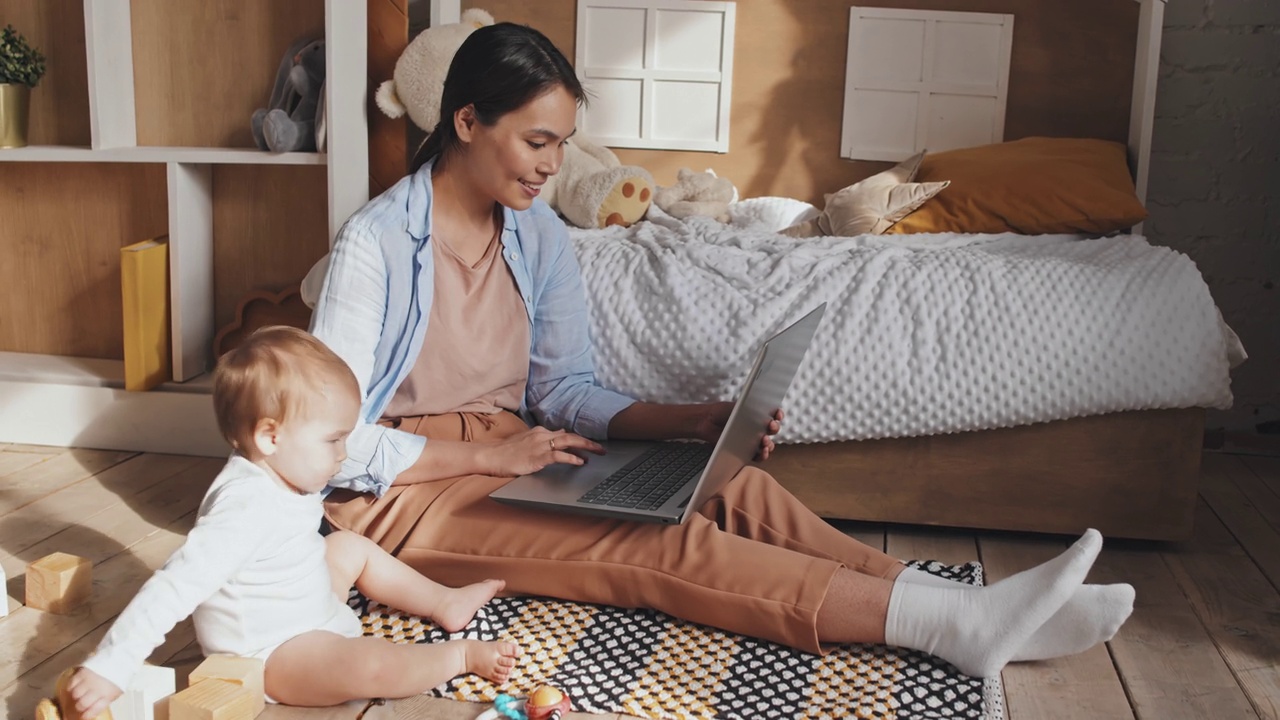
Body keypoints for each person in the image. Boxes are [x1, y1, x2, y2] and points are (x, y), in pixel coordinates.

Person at [306, 22, 1135, 680]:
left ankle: (966, 603)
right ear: (465, 122)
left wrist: (691, 422)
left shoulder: (541, 236)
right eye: (537, 142)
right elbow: (334, 443)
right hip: (403, 493)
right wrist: (487, 460)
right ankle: (947, 625)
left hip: (512, 447)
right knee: (645, 541)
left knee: (731, 484)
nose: (553, 165)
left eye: (563, 143)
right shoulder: (376, 245)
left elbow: (564, 392)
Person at [64, 326, 520, 718]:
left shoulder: (280, 471)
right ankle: (458, 656)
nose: (343, 453)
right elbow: (172, 588)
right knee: (368, 667)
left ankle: (444, 602)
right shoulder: (241, 509)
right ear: (270, 436)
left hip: (310, 604)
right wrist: (112, 665)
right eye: (333, 440)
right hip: (277, 652)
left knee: (348, 548)